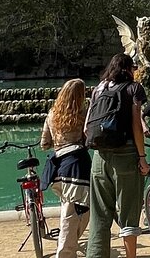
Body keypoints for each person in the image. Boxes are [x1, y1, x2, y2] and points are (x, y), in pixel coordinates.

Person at [84, 53, 148, 258]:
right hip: (126, 155)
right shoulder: (133, 88)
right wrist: (142, 157)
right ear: (129, 69)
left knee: (99, 215)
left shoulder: (98, 89)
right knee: (129, 213)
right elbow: (136, 126)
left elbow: (87, 128)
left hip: (99, 158)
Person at [40, 78, 92, 258]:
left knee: (70, 209)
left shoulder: (52, 113)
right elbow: (89, 139)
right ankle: (64, 253)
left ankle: (68, 249)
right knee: (76, 212)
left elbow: (44, 143)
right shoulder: (83, 114)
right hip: (77, 166)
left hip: (57, 168)